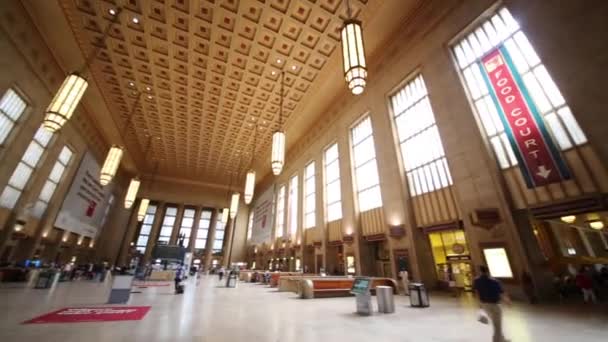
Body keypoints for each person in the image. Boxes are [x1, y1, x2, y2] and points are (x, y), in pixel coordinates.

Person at [473, 265, 510, 342]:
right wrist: (507, 301)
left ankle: (501, 339)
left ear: (480, 271)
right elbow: (501, 293)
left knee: (495, 323)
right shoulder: (494, 281)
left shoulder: (476, 281)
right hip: (495, 305)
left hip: (485, 305)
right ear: (488, 271)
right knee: (497, 324)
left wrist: (479, 303)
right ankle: (496, 340)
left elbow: (477, 293)